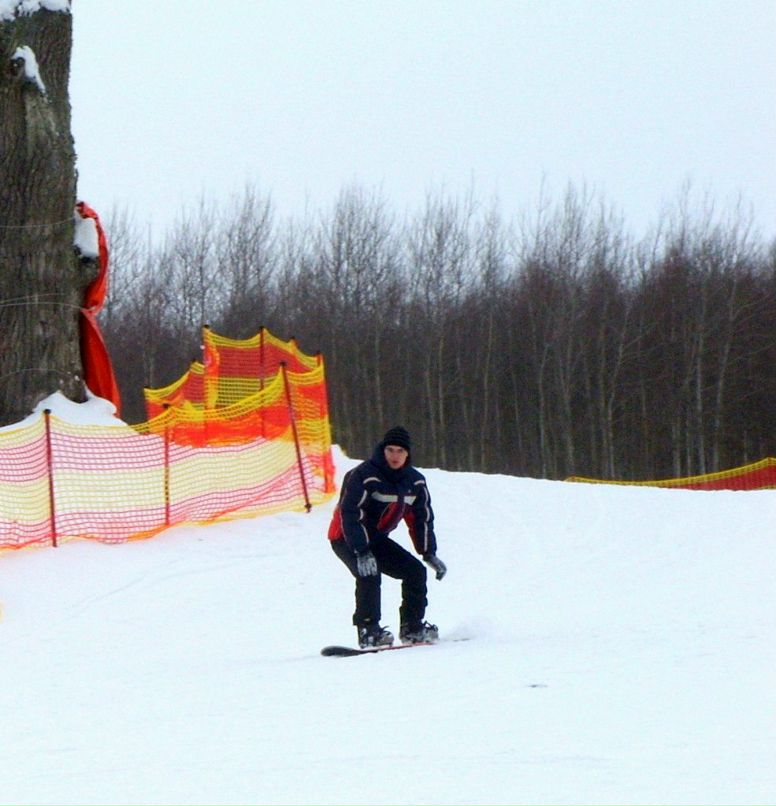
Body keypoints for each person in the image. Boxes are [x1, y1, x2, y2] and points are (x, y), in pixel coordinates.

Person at [327, 426, 448, 648]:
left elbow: (421, 518)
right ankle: (368, 631)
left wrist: (428, 552)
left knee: (415, 572)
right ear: (383, 450)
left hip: (376, 538)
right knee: (369, 572)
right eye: (390, 450)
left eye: (400, 451)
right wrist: (361, 551)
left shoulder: (415, 482)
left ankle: (412, 628)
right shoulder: (363, 475)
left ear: (407, 454)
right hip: (346, 536)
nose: (394, 456)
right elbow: (351, 513)